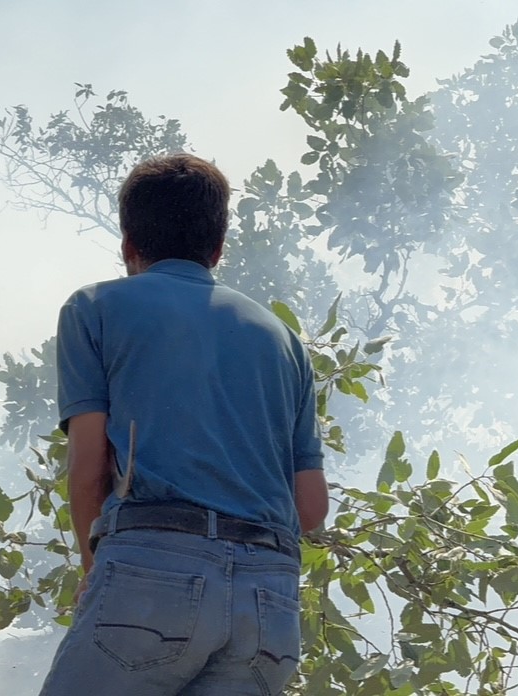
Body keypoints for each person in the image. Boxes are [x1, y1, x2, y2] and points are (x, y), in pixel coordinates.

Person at [38, 153, 329, 695]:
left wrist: (92, 567)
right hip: (269, 602)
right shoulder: (285, 341)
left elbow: (88, 465)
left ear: (129, 245)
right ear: (217, 249)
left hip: (150, 579)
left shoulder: (95, 307)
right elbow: (310, 510)